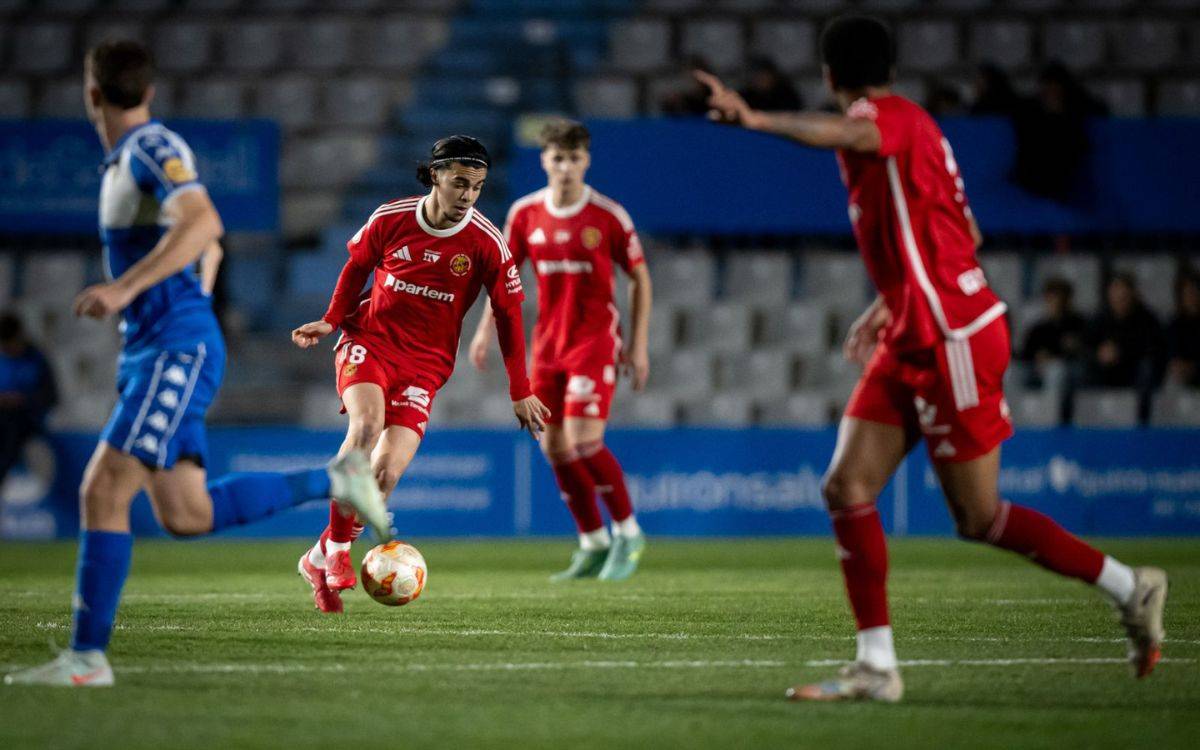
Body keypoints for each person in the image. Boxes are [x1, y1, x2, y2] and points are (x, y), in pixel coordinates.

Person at [695, 15, 1167, 703]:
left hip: (955, 339)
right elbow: (961, 230)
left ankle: (1132, 586)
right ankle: (877, 667)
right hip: (918, 330)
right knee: (846, 487)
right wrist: (892, 300)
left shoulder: (879, 119)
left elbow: (853, 133)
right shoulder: (917, 127)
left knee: (980, 519)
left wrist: (754, 120)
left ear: (830, 75)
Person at [4, 41, 387, 688]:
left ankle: (86, 661)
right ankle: (338, 479)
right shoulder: (133, 158)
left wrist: (129, 291)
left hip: (171, 351)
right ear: (146, 88)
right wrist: (186, 286)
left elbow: (204, 220)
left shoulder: (150, 149)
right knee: (186, 516)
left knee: (102, 491)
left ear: (91, 94)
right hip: (156, 348)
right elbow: (203, 242)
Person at [291, 135, 550, 611]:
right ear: (435, 176)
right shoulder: (392, 217)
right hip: (369, 340)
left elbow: (510, 316)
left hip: (425, 366)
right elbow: (355, 269)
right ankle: (340, 554)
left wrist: (521, 390)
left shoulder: (486, 242)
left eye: (477, 187)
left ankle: (318, 554)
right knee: (365, 425)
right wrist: (332, 319)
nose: (468, 196)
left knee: (385, 476)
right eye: (459, 184)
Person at [468, 119, 652, 581]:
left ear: (586, 161)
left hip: (592, 343)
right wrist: (483, 330)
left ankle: (628, 533)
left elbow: (639, 277)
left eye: (574, 158)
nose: (566, 167)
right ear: (544, 160)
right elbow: (503, 279)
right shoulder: (526, 214)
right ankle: (592, 542)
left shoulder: (608, 215)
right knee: (553, 447)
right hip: (548, 346)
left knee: (585, 443)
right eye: (557, 157)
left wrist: (638, 344)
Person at [1087, 272, 1165, 422]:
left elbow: (1154, 349)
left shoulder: (1147, 318)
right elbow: (1086, 345)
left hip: (1133, 370)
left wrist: (1121, 353)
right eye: (1115, 292)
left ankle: (1142, 419)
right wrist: (1099, 353)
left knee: (1146, 369)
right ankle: (1093, 417)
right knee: (1086, 369)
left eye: (1124, 293)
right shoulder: (1100, 318)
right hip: (1106, 370)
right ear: (1109, 294)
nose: (1119, 297)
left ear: (1132, 294)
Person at [0, 312, 58, 494]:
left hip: (27, 419)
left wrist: (23, 399)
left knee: (8, 429)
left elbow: (51, 397)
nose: (9, 350)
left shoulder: (37, 359)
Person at [1019, 277, 1087, 423]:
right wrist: (1037, 358)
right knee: (1012, 372)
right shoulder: (1038, 328)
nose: (1055, 302)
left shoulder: (1079, 324)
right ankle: (1010, 422)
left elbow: (1083, 353)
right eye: (1051, 297)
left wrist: (1055, 357)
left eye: (1059, 298)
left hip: (1067, 372)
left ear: (1067, 300)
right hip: (1036, 370)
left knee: (1056, 370)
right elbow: (1025, 354)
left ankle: (1049, 420)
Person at [1165, 270, 1200, 388]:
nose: (1190, 297)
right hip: (1181, 379)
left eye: (1194, 292)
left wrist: (1193, 367)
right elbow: (1172, 353)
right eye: (1186, 293)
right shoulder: (1174, 324)